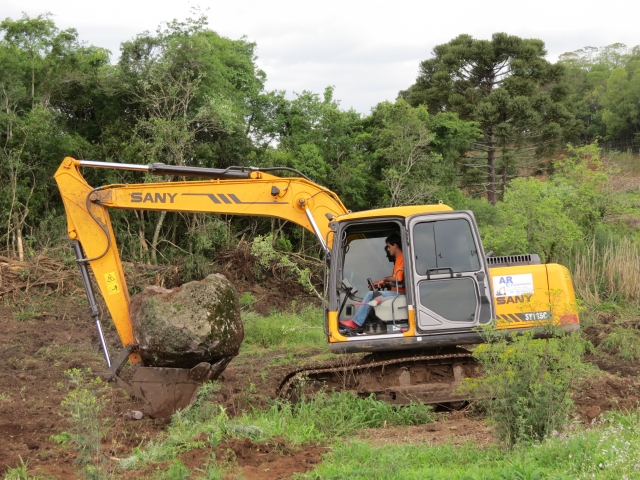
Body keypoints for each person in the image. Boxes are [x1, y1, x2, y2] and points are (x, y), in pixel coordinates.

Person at [340, 234, 405, 330]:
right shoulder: (398, 259)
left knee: (370, 295)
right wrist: (382, 283)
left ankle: (356, 322)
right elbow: (398, 281)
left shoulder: (402, 258)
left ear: (395, 245)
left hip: (401, 294)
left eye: (389, 246)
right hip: (397, 292)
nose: (388, 249)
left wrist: (385, 279)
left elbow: (398, 279)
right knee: (374, 294)